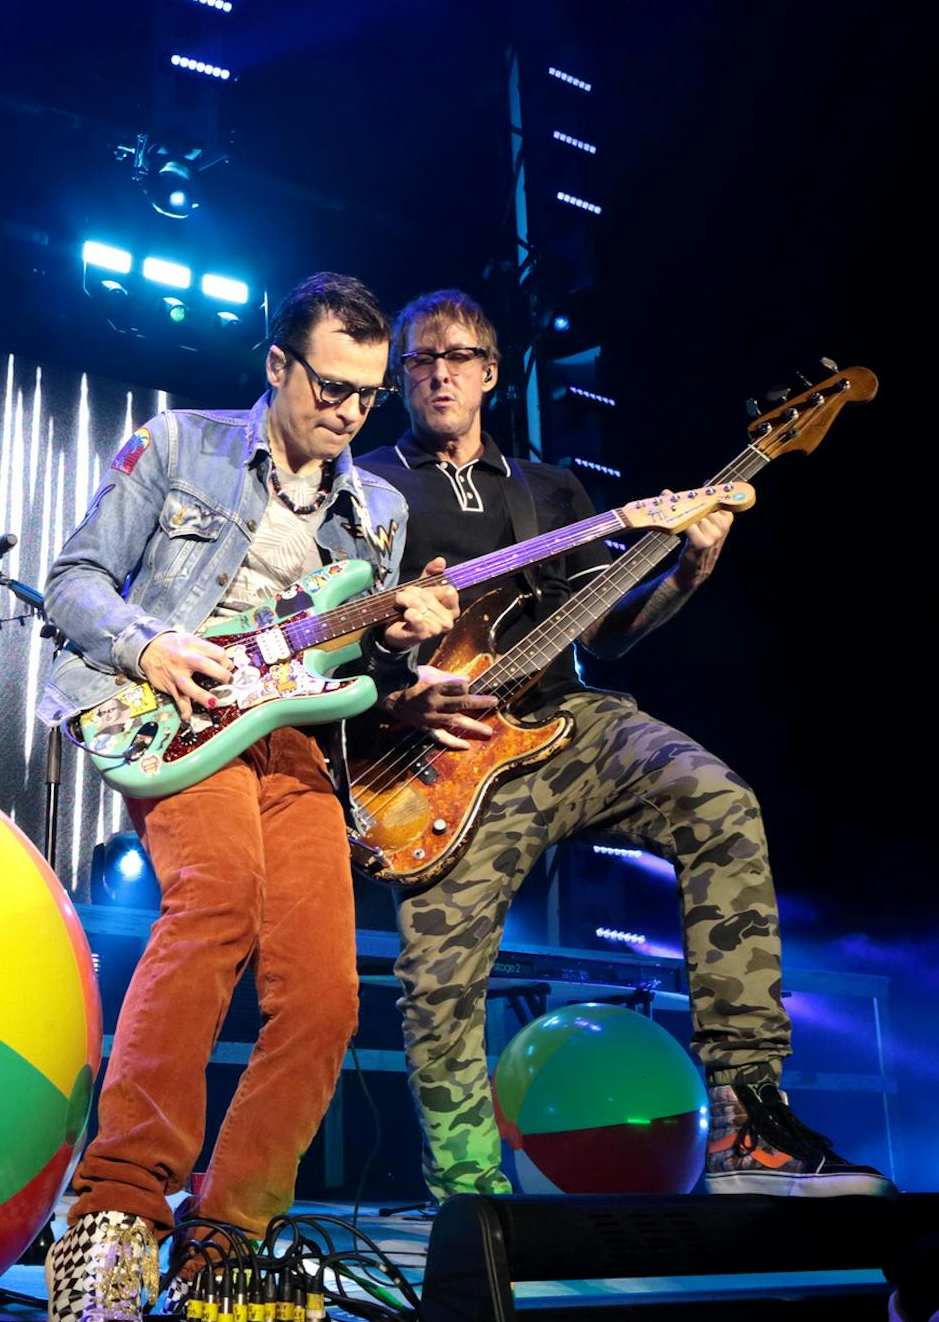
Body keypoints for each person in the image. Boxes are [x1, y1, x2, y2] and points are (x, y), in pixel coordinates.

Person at [35, 274, 471, 1322]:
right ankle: (112, 1224)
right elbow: (73, 579)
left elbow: (352, 673)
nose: (351, 411)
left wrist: (405, 648)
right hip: (176, 714)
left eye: (369, 395)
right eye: (331, 386)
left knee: (326, 995)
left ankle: (224, 1243)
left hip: (294, 744)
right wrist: (149, 645)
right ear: (278, 366)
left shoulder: (378, 512)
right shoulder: (180, 444)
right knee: (217, 903)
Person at [354, 288, 889, 1200]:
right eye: (420, 359)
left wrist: (688, 571)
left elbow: (607, 635)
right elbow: (335, 640)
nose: (440, 374)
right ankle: (471, 1199)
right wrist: (401, 698)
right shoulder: (365, 487)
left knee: (718, 801)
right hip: (436, 755)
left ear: (491, 373)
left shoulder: (550, 491)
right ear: (399, 377)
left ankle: (747, 1124)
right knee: (438, 981)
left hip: (569, 726)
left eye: (459, 357)